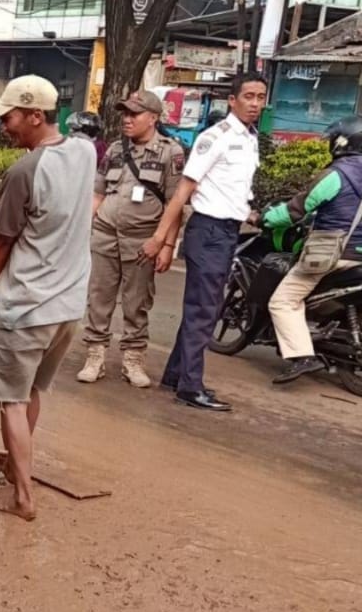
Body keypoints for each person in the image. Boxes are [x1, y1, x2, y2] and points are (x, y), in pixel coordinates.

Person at [0, 75, 95, 521]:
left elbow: (2, 244)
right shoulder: (84, 152)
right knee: (32, 389)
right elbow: (49, 211)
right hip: (69, 307)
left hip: (29, 307)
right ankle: (14, 471)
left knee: (11, 401)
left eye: (11, 117)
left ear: (36, 116)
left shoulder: (23, 172)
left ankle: (21, 496)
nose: (5, 127)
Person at [141, 73, 267, 411]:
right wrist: (161, 238)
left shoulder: (250, 138)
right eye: (249, 96)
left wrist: (250, 213)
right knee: (204, 311)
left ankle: (176, 374)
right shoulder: (216, 137)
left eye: (260, 97)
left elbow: (232, 188)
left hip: (228, 231)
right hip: (209, 231)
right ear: (232, 100)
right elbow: (183, 191)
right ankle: (190, 387)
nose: (255, 103)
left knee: (203, 308)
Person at [76, 91, 184, 388]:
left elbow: (176, 204)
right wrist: (83, 230)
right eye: (125, 113)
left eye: (134, 114)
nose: (127, 119)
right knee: (99, 298)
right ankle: (95, 356)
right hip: (106, 234)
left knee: (137, 303)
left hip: (143, 241)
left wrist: (166, 246)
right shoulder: (113, 150)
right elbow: (98, 194)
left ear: (153, 118)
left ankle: (133, 359)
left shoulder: (169, 152)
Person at [262, 115, 362, 384]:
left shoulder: (335, 175)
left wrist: (266, 218)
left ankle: (302, 356)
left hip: (334, 254)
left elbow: (297, 210)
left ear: (342, 143)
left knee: (283, 301)